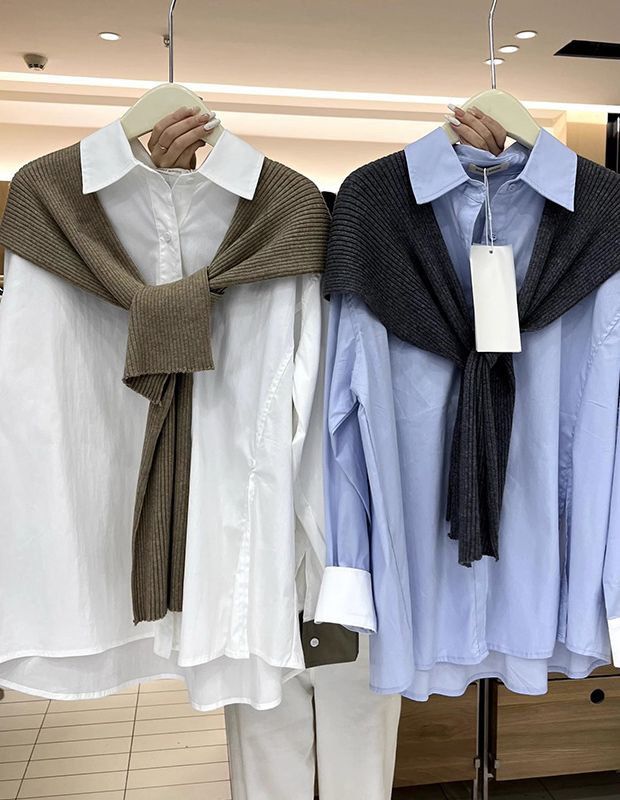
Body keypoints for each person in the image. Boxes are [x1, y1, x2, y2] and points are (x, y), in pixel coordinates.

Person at [144, 103, 507, 799]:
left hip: (343, 563)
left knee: (331, 746)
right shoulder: (250, 273)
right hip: (281, 561)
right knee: (303, 746)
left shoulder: (385, 273)